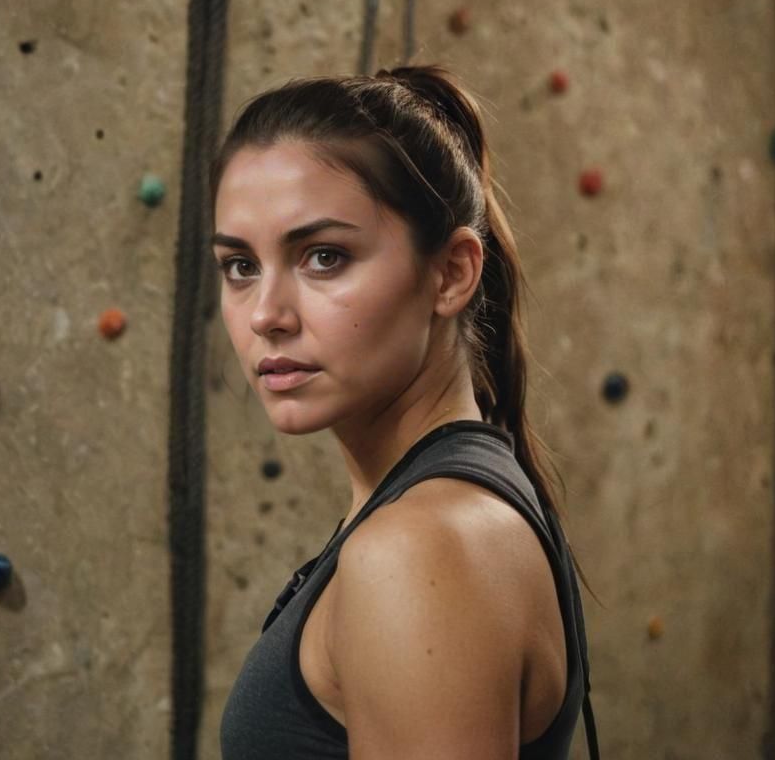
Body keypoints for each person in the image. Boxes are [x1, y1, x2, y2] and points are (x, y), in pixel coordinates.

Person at [213, 65, 600, 759]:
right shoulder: (445, 510)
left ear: (451, 273)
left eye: (323, 257)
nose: (266, 314)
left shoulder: (421, 548)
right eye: (240, 266)